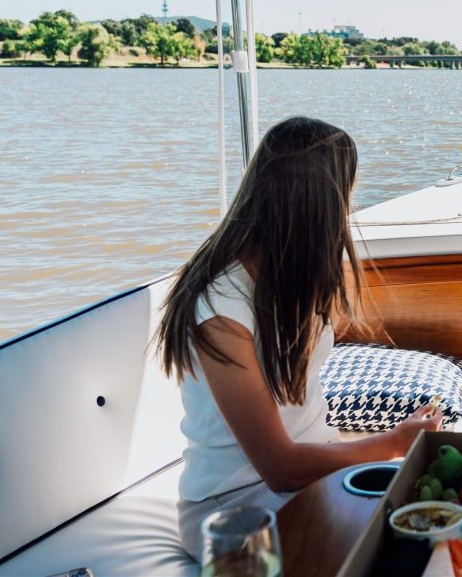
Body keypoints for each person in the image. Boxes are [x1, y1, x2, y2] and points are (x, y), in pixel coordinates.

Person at [153, 116, 442, 558]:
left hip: (313, 475)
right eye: (345, 197)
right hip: (235, 506)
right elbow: (280, 467)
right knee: (404, 544)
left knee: (437, 513)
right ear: (316, 206)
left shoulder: (289, 278)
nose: (347, 211)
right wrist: (395, 442)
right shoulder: (220, 309)